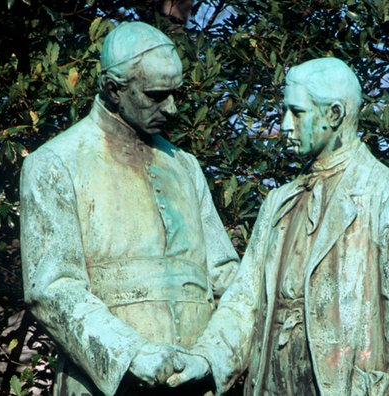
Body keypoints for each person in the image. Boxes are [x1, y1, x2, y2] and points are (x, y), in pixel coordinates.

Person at [167, 57, 389, 395]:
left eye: (297, 112)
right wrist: (205, 361)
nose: (285, 125)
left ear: (334, 114)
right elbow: (243, 304)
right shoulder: (278, 202)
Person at [19, 21, 238, 396]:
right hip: (110, 384)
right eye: (155, 95)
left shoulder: (185, 166)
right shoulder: (56, 162)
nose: (171, 109)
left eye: (174, 94)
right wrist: (130, 353)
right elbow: (53, 288)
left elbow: (225, 276)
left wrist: (214, 356)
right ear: (113, 89)